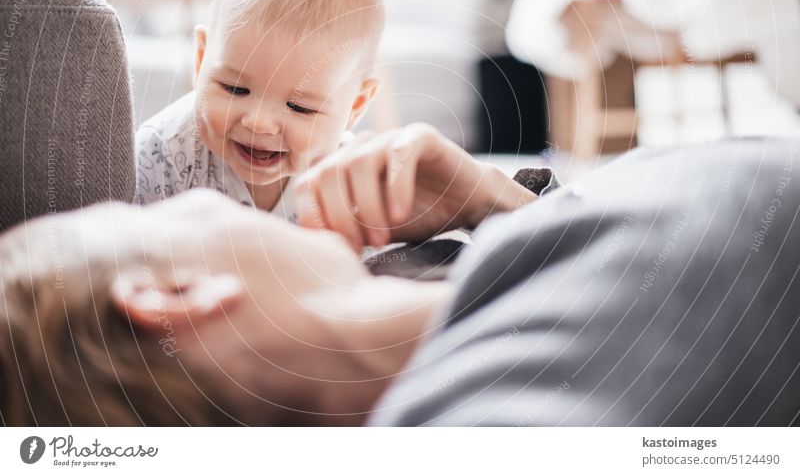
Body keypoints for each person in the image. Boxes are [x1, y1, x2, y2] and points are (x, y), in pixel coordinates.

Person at [2, 124, 799, 426]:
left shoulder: (464, 294)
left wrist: (493, 203)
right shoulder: (474, 427)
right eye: (148, 214)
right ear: (173, 295)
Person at [135, 0, 384, 235]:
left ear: (355, 108)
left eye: (299, 107)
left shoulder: (349, 177)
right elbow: (126, 258)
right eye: (235, 88)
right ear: (200, 60)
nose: (259, 123)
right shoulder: (160, 156)